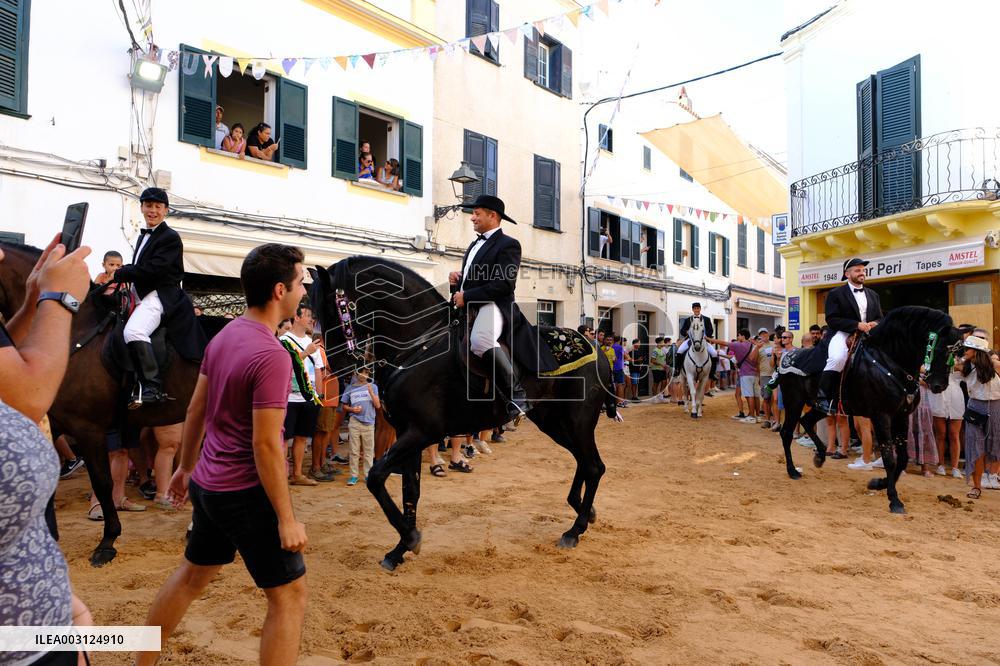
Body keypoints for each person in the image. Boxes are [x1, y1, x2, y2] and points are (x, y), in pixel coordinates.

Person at [137, 243, 309, 666]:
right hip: (245, 492)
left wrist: (186, 468)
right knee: (289, 597)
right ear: (278, 291)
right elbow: (266, 445)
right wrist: (286, 518)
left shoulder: (225, 334)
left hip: (209, 486)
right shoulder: (272, 355)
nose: (304, 290)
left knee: (191, 576)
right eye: (301, 282)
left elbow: (195, 407)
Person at [0, 233, 94, 666]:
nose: (1, 254)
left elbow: (8, 357)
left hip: (43, 621)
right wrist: (61, 299)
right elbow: (29, 391)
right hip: (22, 642)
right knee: (138, 330)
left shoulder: (163, 237)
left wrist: (35, 299)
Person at [449, 194, 558, 423]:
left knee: (480, 340)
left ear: (492, 215)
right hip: (470, 305)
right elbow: (473, 281)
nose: (472, 218)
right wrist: (456, 283)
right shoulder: (474, 245)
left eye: (477, 213)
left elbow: (503, 284)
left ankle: (517, 396)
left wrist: (466, 295)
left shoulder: (508, 244)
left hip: (495, 305)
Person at [114, 187, 204, 408]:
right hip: (144, 292)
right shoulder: (143, 236)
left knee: (134, 331)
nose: (152, 211)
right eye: (148, 206)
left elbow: (155, 270)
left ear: (165, 210)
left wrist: (126, 271)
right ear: (142, 207)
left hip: (162, 294)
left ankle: (152, 387)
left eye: (157, 207)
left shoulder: (170, 237)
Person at [816, 258, 883, 414]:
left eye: (863, 270)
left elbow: (881, 317)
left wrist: (874, 323)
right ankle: (822, 397)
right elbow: (831, 319)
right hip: (843, 333)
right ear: (847, 274)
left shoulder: (873, 294)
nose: (862, 273)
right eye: (857, 270)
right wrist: (856, 325)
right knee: (837, 358)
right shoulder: (835, 293)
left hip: (869, 334)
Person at [280, 305, 329, 485]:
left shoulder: (311, 342)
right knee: (284, 439)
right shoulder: (284, 340)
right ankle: (281, 475)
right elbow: (283, 364)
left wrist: (320, 395)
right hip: (288, 397)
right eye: (308, 315)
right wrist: (306, 352)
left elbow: (318, 370)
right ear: (297, 317)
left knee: (302, 437)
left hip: (309, 398)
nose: (311, 320)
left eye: (312, 316)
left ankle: (297, 474)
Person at [959, 334, 1000, 499]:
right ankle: (976, 486)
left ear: (977, 351)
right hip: (975, 407)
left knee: (996, 443)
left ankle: (993, 476)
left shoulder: (995, 365)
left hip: (996, 406)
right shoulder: (964, 366)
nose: (965, 351)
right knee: (975, 447)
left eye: (968, 348)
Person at [340, 365, 380, 486]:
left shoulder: (373, 386)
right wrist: (352, 409)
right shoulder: (350, 388)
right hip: (355, 422)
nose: (364, 375)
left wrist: (371, 393)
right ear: (356, 374)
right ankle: (353, 475)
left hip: (369, 422)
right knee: (354, 450)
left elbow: (377, 405)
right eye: (361, 373)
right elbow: (344, 406)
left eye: (366, 373)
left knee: (368, 451)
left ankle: (368, 475)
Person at [929, 361, 965, 478]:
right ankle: (941, 465)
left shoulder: (961, 360)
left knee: (954, 434)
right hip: (939, 396)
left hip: (955, 397)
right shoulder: (936, 358)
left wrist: (955, 365)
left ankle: (955, 467)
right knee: (940, 434)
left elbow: (967, 372)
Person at [717, 330, 760, 423]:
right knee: (755, 395)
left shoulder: (739, 346)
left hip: (744, 374)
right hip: (754, 374)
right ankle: (756, 415)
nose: (737, 337)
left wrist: (708, 339)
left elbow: (723, 343)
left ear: (743, 336)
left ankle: (751, 416)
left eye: (739, 335)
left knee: (748, 395)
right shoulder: (753, 346)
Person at [649, 337, 667, 402]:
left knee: (664, 382)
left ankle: (660, 396)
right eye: (663, 342)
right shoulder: (655, 350)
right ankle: (654, 397)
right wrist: (661, 364)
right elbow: (652, 360)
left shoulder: (662, 350)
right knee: (656, 383)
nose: (664, 343)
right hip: (656, 369)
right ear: (659, 343)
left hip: (662, 369)